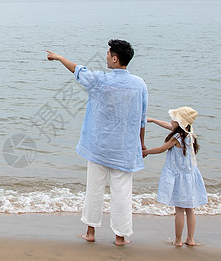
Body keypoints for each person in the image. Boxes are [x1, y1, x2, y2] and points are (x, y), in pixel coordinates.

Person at [46, 39, 148, 246]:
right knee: (122, 193)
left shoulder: (100, 80)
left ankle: (90, 232)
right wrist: (142, 144)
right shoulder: (139, 84)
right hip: (124, 149)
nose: (106, 57)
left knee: (94, 189)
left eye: (108, 54)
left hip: (98, 146)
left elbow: (79, 71)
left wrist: (60, 58)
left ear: (115, 58)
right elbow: (141, 119)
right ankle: (120, 237)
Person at [143, 107, 207, 247]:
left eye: (174, 119)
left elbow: (162, 148)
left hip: (180, 178)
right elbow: (169, 126)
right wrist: (153, 120)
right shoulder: (190, 134)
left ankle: (178, 240)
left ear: (180, 123)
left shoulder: (176, 138)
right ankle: (190, 239)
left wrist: (146, 152)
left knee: (179, 209)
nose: (171, 121)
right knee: (190, 209)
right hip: (190, 176)